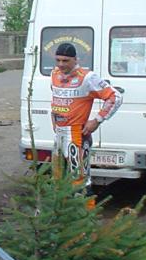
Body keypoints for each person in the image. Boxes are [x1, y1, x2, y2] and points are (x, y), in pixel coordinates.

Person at [50, 42, 122, 198]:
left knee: (80, 179)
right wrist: (53, 117)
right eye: (58, 60)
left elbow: (115, 97)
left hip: (77, 133)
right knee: (58, 177)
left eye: (65, 61)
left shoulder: (87, 77)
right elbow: (56, 97)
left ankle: (86, 217)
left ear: (75, 59)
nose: (61, 64)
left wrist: (97, 120)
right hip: (59, 134)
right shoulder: (54, 74)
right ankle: (62, 218)